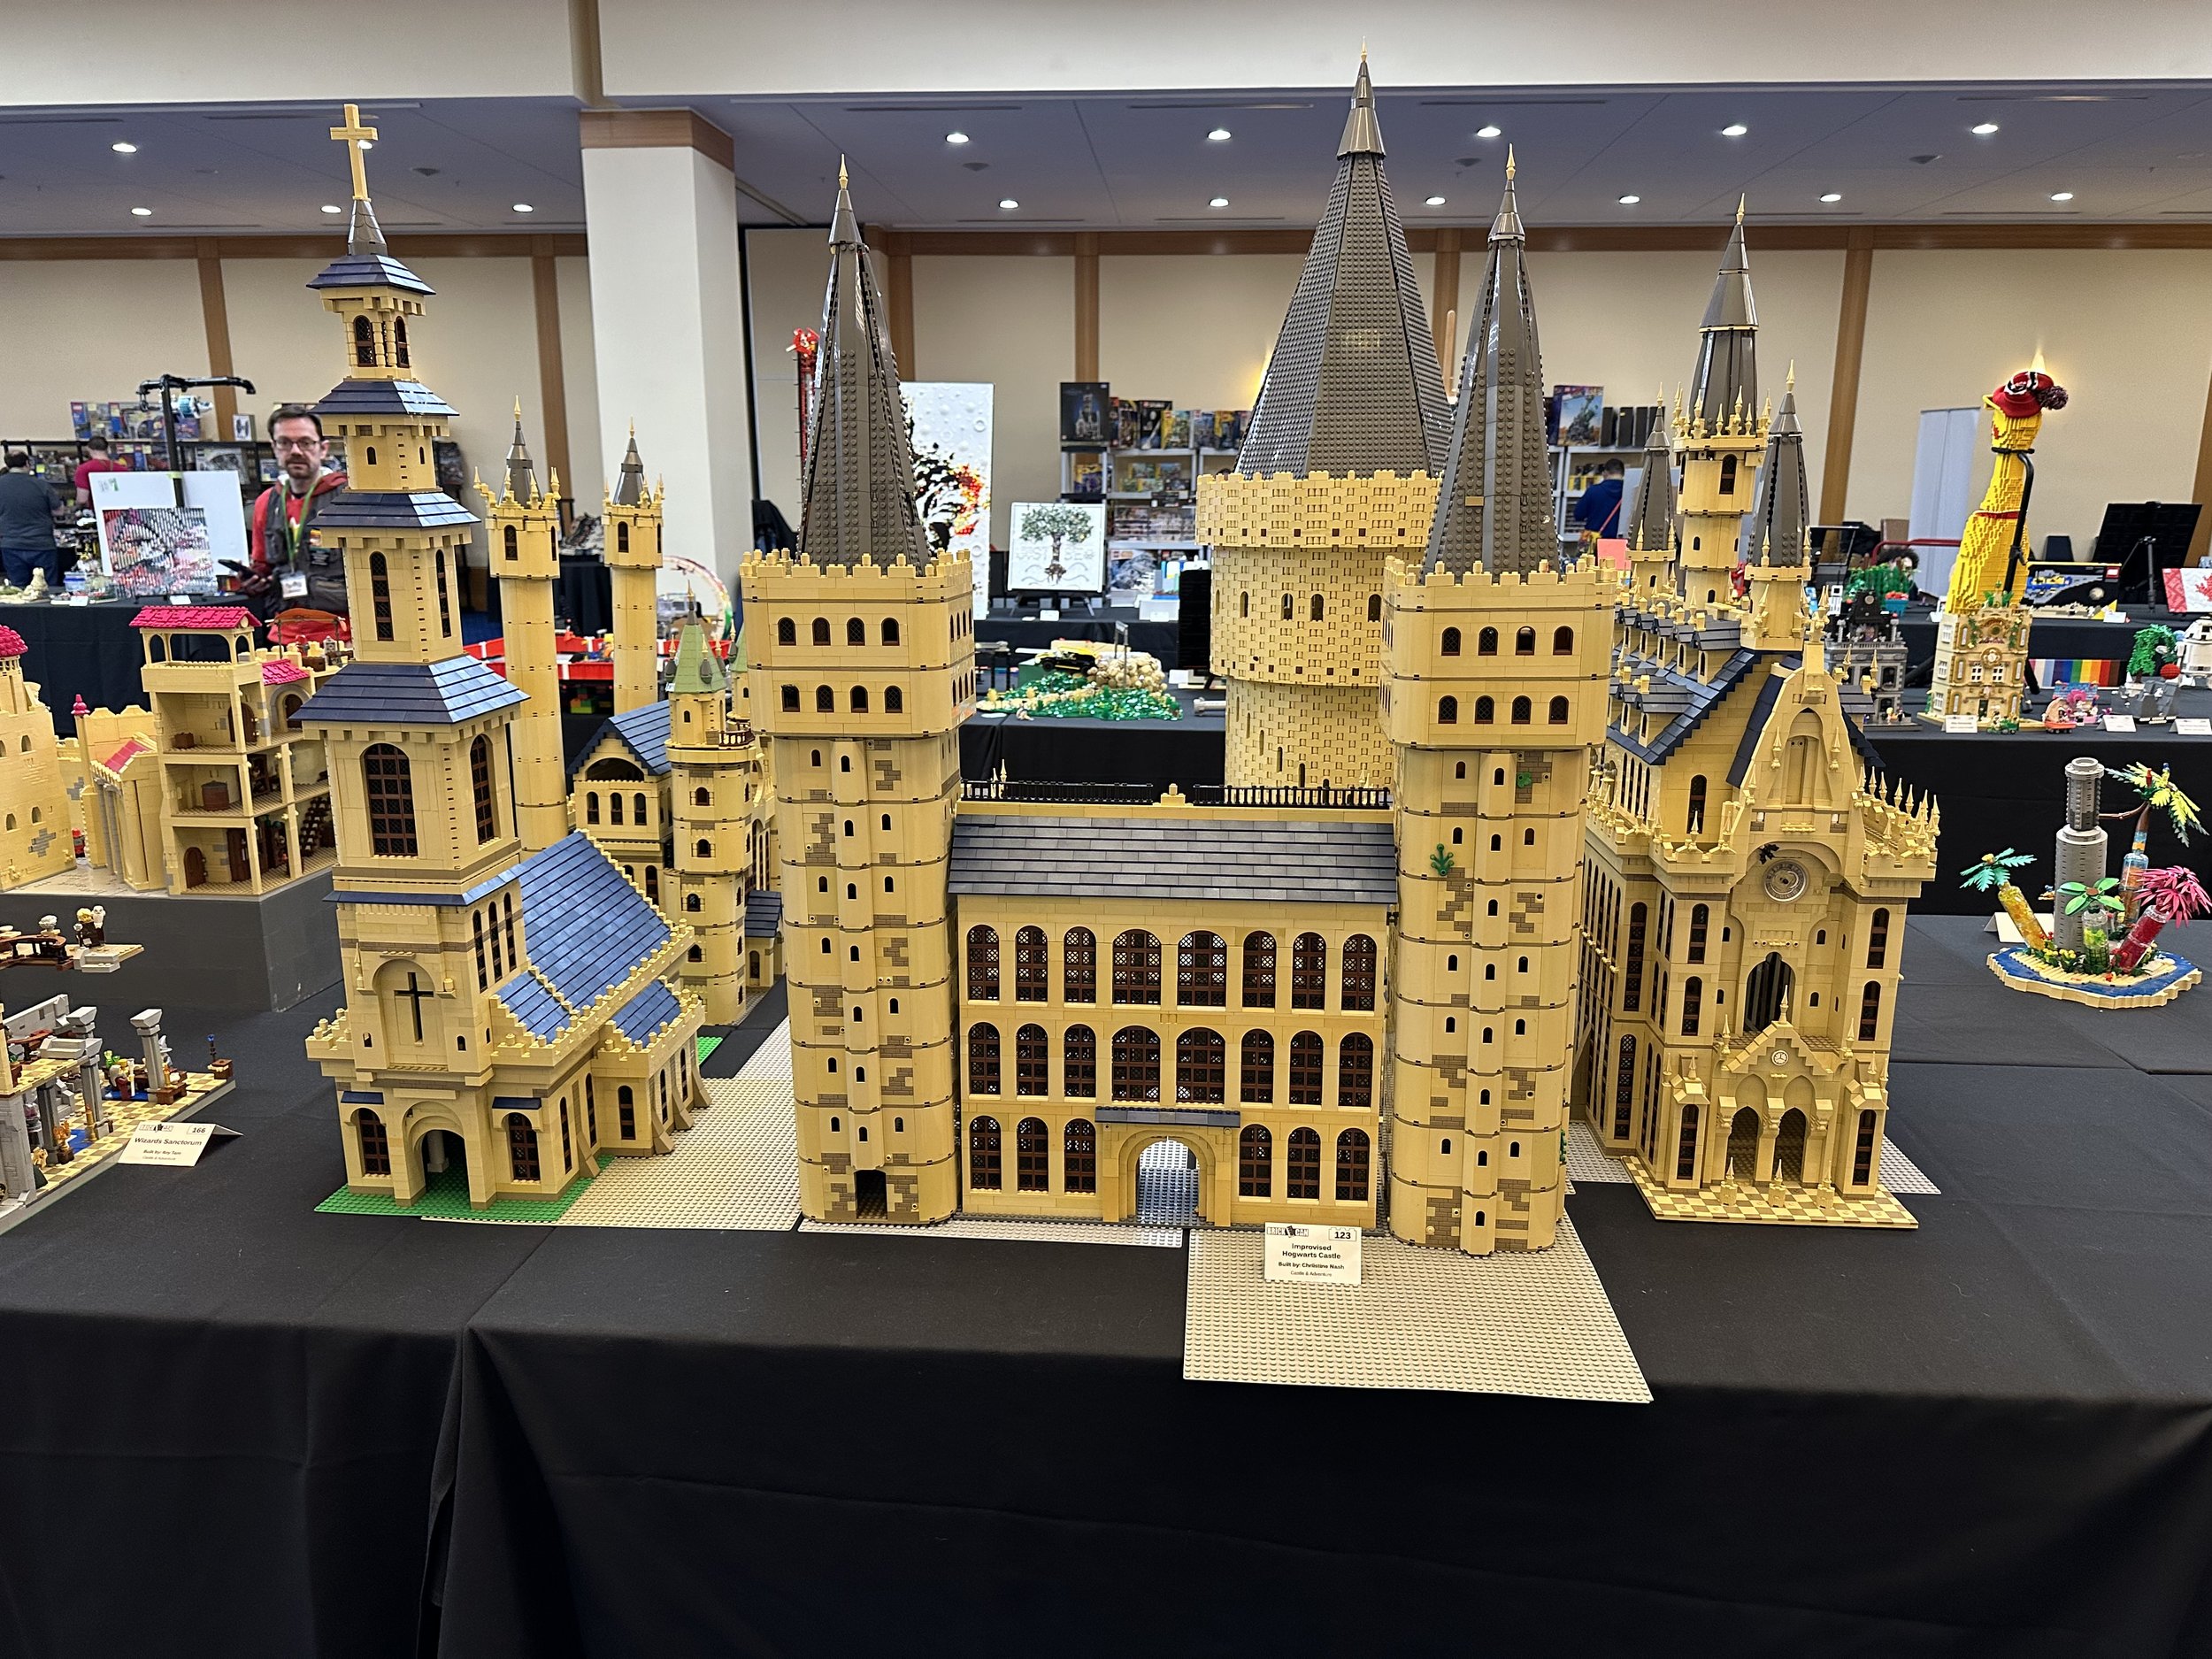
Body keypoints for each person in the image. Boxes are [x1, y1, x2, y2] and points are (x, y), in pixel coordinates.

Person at [242, 404, 348, 617]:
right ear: (274, 447)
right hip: (284, 625)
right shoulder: (266, 502)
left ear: (323, 448)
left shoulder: (348, 498)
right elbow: (262, 566)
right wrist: (254, 581)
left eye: (305, 442)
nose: (296, 451)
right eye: (285, 443)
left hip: (343, 626)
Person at [0, 451, 66, 588]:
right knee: (48, 588)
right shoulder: (41, 485)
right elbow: (59, 511)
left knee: (19, 589)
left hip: (11, 544)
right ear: (27, 464)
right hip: (42, 544)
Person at [1576, 458, 1625, 538]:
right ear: (1623, 474)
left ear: (1605, 473)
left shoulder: (1593, 491)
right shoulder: (1629, 492)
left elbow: (1578, 515)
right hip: (1621, 541)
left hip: (1596, 540)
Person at [72, 438, 129, 507]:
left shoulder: (84, 468)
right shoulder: (122, 469)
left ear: (88, 449)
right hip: (119, 511)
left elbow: (82, 499)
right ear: (107, 449)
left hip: (95, 510)